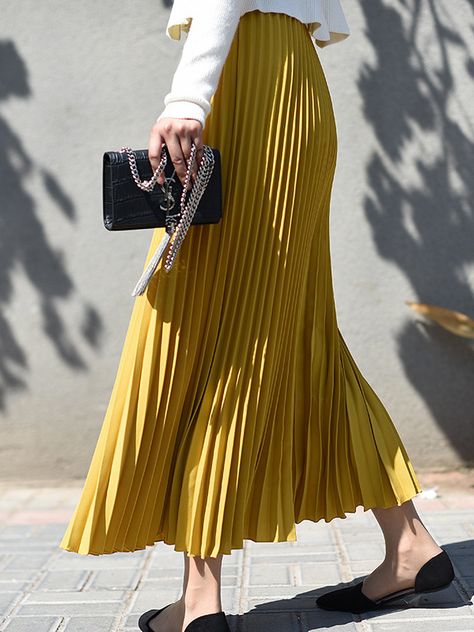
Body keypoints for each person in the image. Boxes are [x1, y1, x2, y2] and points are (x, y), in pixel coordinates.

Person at [59, 1, 455, 631]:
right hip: (293, 83)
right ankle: (408, 544)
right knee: (300, 338)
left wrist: (188, 100)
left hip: (245, 84)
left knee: (207, 335)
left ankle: (200, 603)